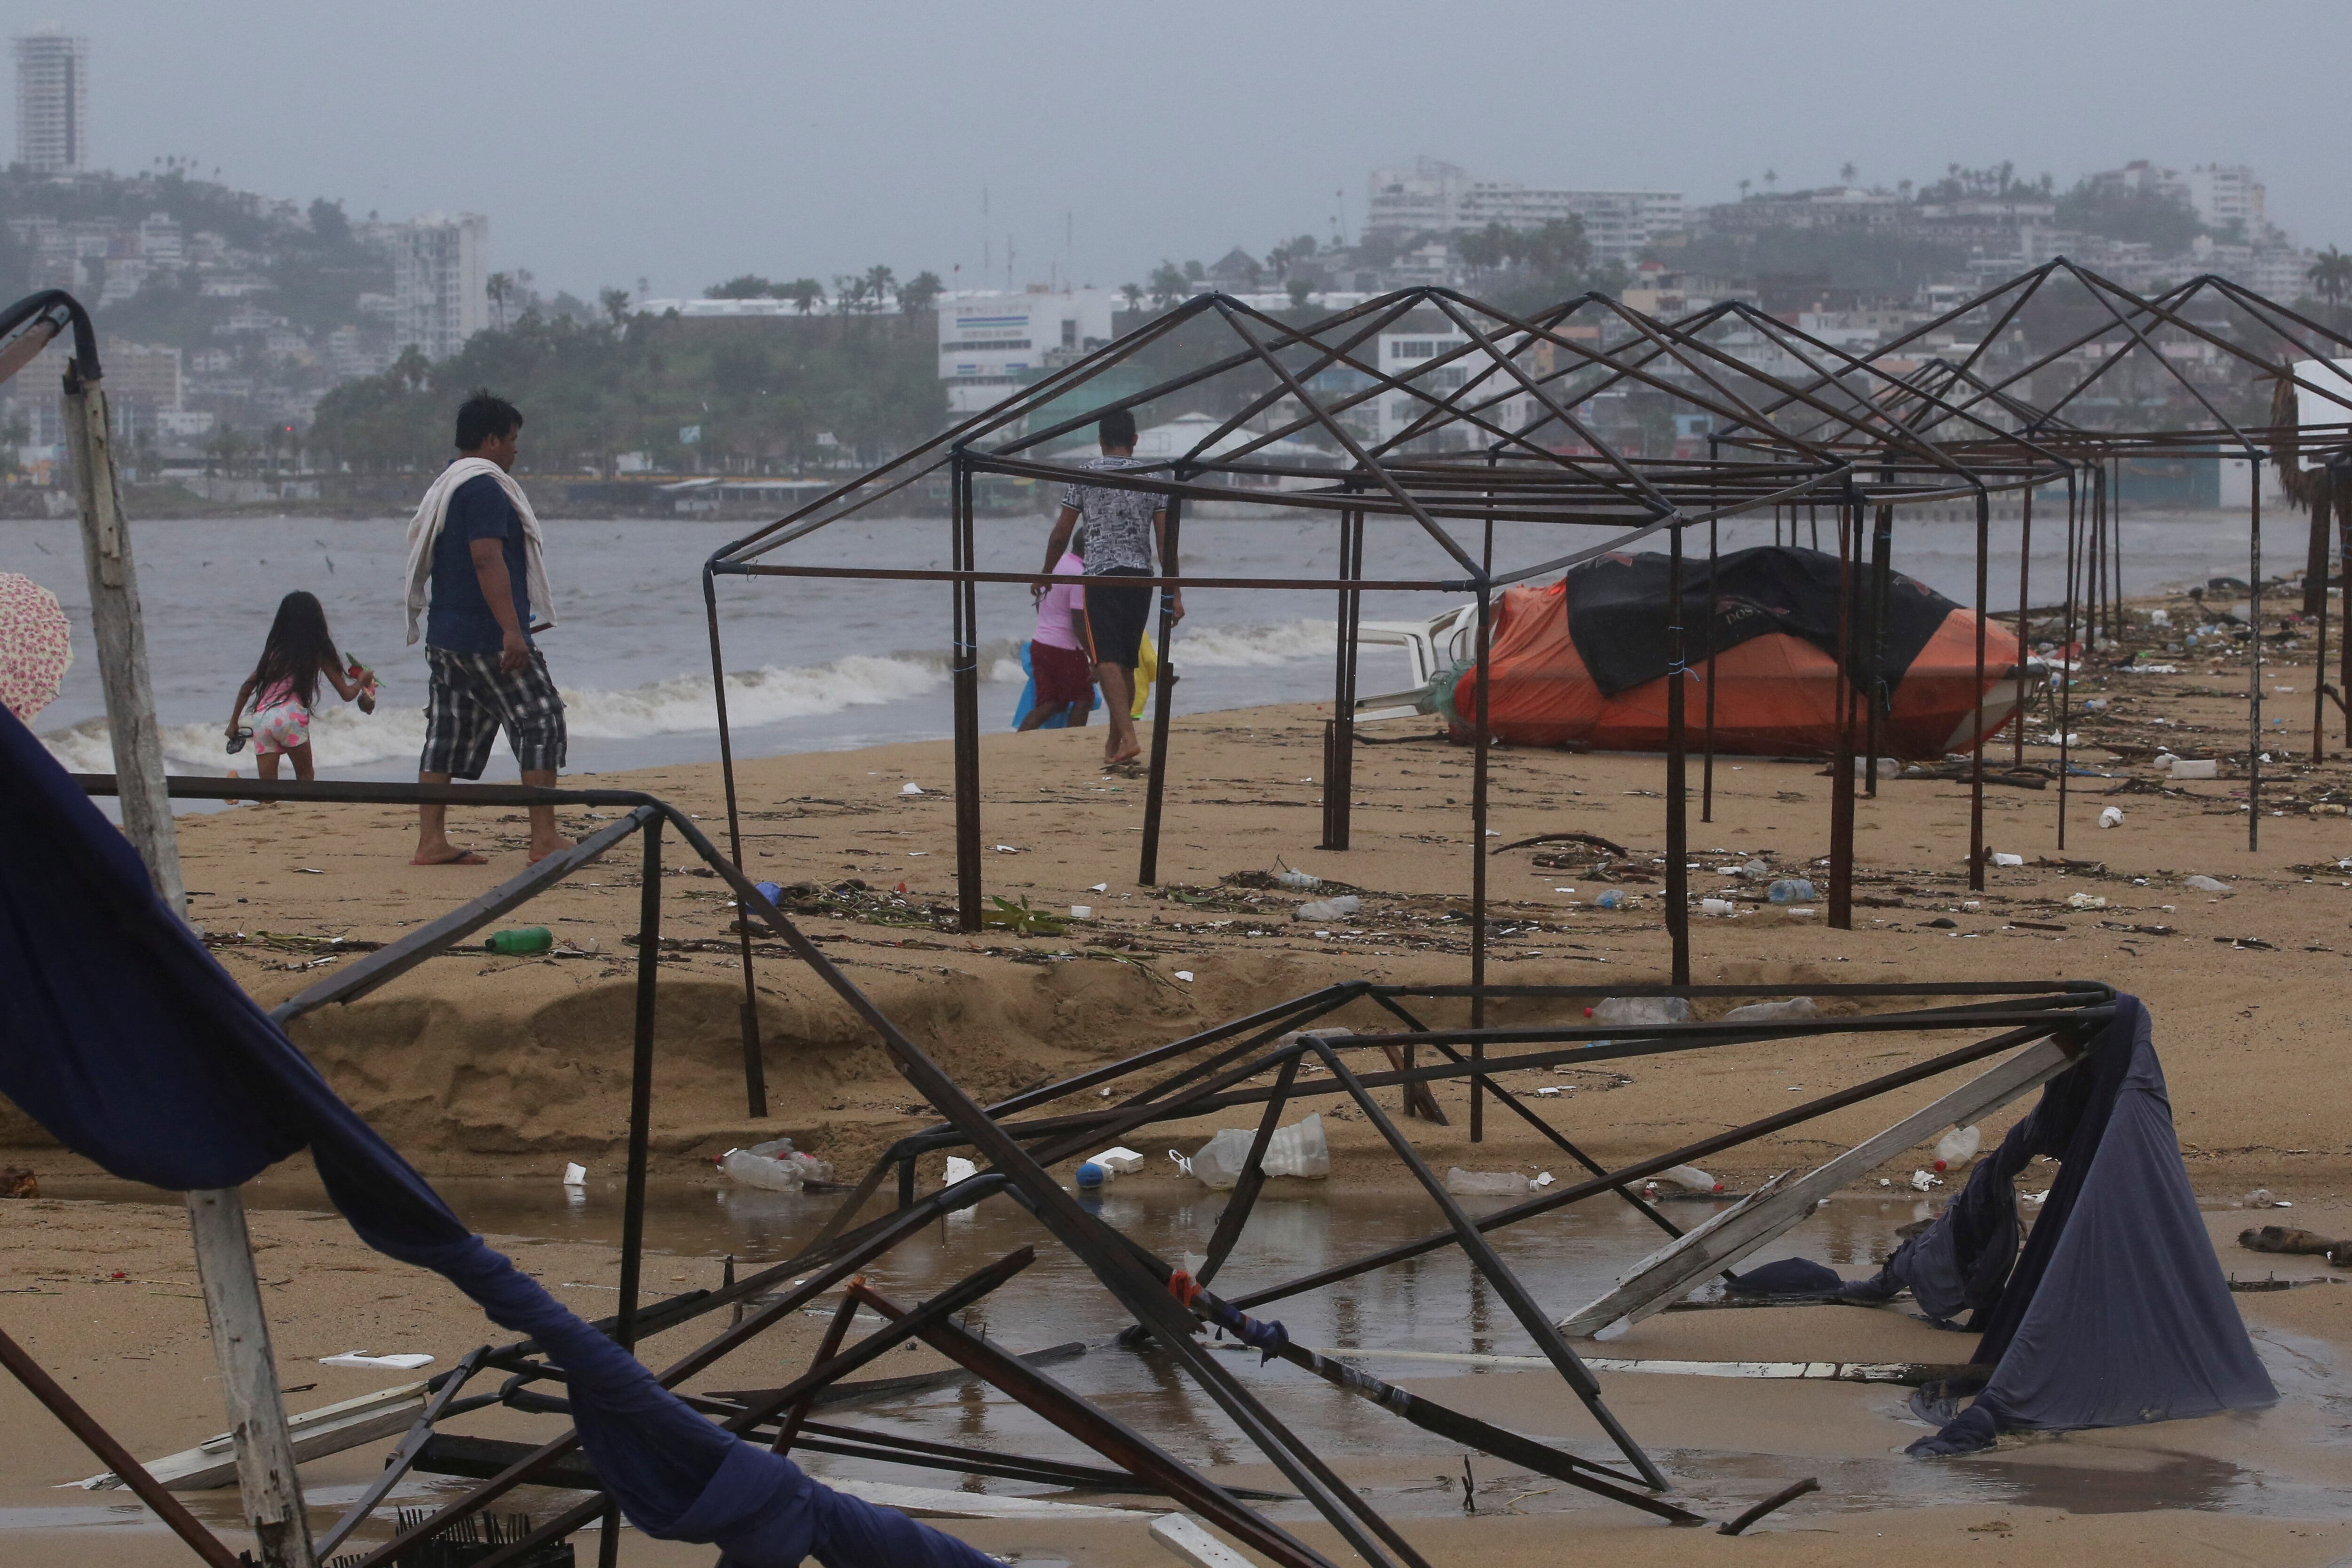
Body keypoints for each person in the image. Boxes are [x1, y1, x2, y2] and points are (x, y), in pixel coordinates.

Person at [401, 390, 571, 865]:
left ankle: (430, 842)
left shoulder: (448, 485)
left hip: (445, 635)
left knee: (447, 731)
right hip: (485, 635)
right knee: (541, 720)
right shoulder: (483, 488)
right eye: (513, 439)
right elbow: (485, 556)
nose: (516, 449)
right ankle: (544, 839)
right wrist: (513, 631)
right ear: (493, 440)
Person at [1037, 408, 1181, 766]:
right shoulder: (1155, 478)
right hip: (1141, 577)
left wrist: (1045, 575)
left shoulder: (1085, 475)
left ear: (1101, 441)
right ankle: (1116, 747)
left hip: (1101, 576)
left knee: (1105, 661)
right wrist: (1175, 592)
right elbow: (1166, 545)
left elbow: (1061, 534)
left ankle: (1129, 737)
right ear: (1135, 440)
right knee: (1126, 663)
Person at [224, 591, 376, 785]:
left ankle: (238, 787)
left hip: (262, 720)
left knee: (267, 792)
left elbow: (247, 686)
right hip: (290, 719)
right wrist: (362, 680)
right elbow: (347, 694)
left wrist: (233, 724)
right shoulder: (318, 651)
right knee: (305, 780)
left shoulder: (274, 652)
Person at [1021, 532, 1094, 731]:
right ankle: (1073, 742)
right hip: (1066, 649)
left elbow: (1041, 603)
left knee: (1051, 702)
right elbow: (1078, 620)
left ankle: (1019, 739)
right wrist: (1093, 656)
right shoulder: (1080, 574)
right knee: (1084, 698)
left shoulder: (1057, 563)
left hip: (1041, 643)